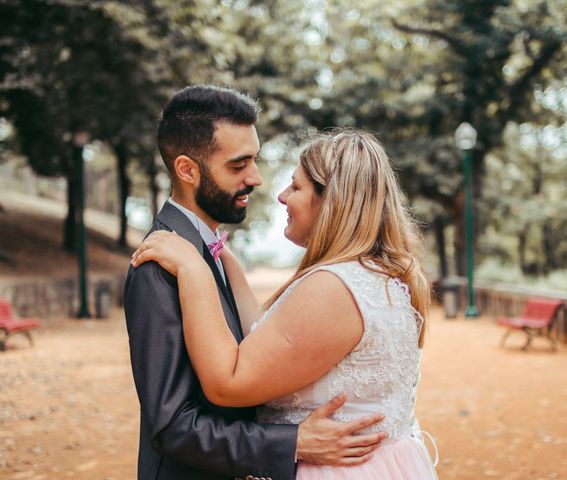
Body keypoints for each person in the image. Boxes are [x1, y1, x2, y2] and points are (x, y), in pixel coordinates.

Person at [131, 127, 439, 479]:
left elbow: (227, 383)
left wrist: (193, 270)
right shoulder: (378, 275)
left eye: (296, 186)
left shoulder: (332, 288)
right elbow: (270, 341)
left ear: (330, 201)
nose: (280, 195)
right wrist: (221, 260)